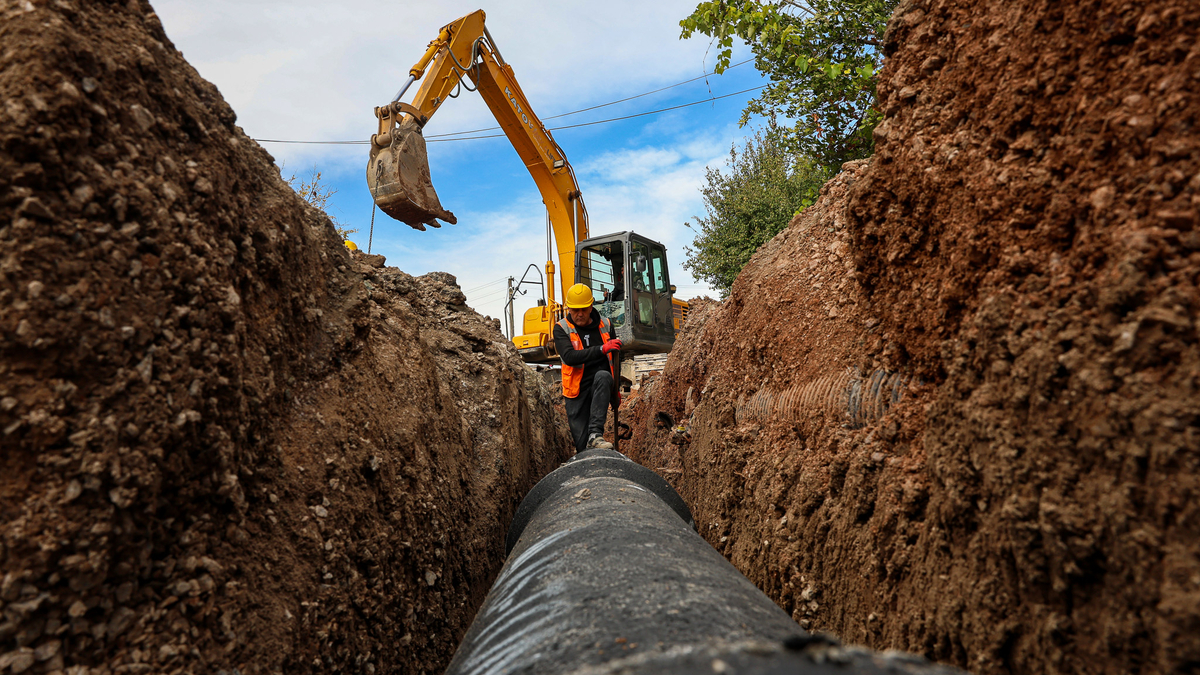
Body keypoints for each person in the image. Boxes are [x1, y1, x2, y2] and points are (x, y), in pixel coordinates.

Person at [554, 283, 622, 453]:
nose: (580, 314)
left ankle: (595, 434)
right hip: (577, 390)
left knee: (603, 376)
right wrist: (601, 349)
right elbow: (569, 357)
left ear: (591, 306)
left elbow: (616, 359)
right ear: (569, 308)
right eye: (575, 310)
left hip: (599, 384)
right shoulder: (561, 328)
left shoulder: (605, 325)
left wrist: (616, 389)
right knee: (582, 447)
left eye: (584, 309)